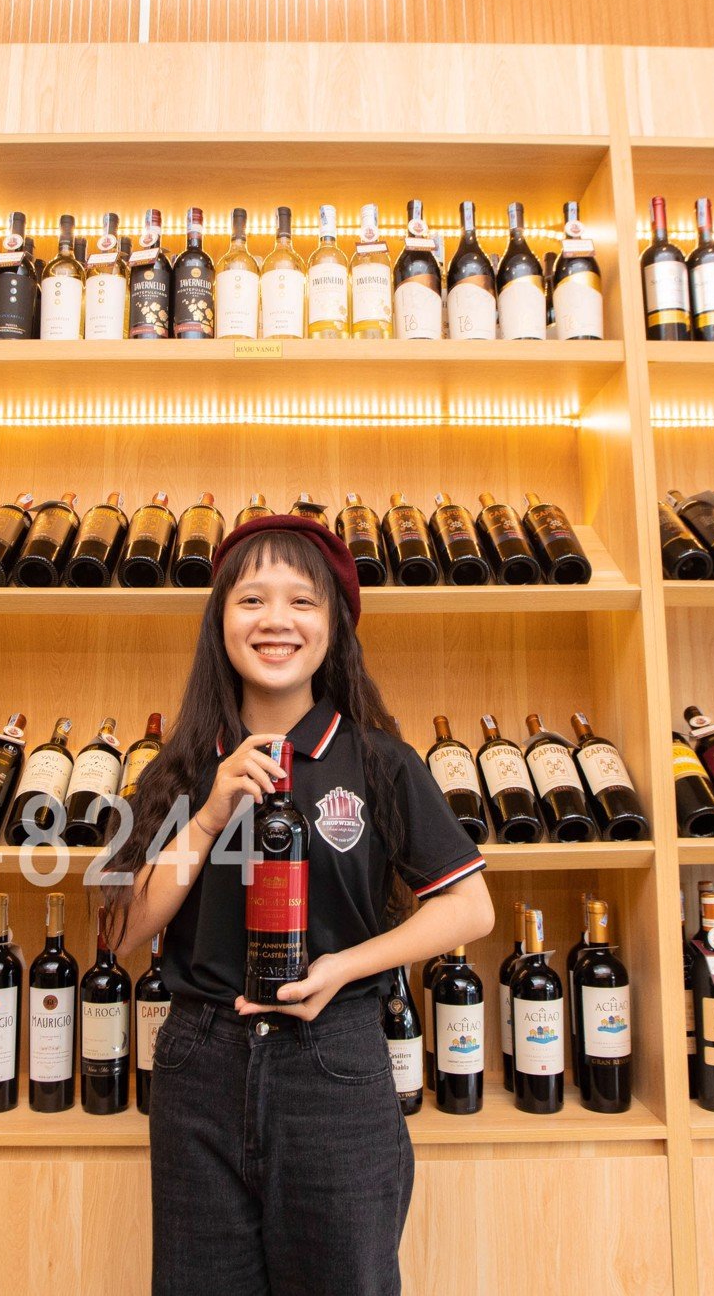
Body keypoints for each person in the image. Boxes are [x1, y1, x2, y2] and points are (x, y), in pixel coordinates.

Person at [103, 513, 494, 1296]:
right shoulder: (179, 768)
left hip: (334, 1062)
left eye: (301, 601)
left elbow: (470, 907)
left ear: (334, 627)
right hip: (199, 1065)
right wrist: (208, 814)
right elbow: (121, 930)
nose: (275, 619)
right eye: (251, 599)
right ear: (219, 622)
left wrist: (343, 967)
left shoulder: (379, 760)